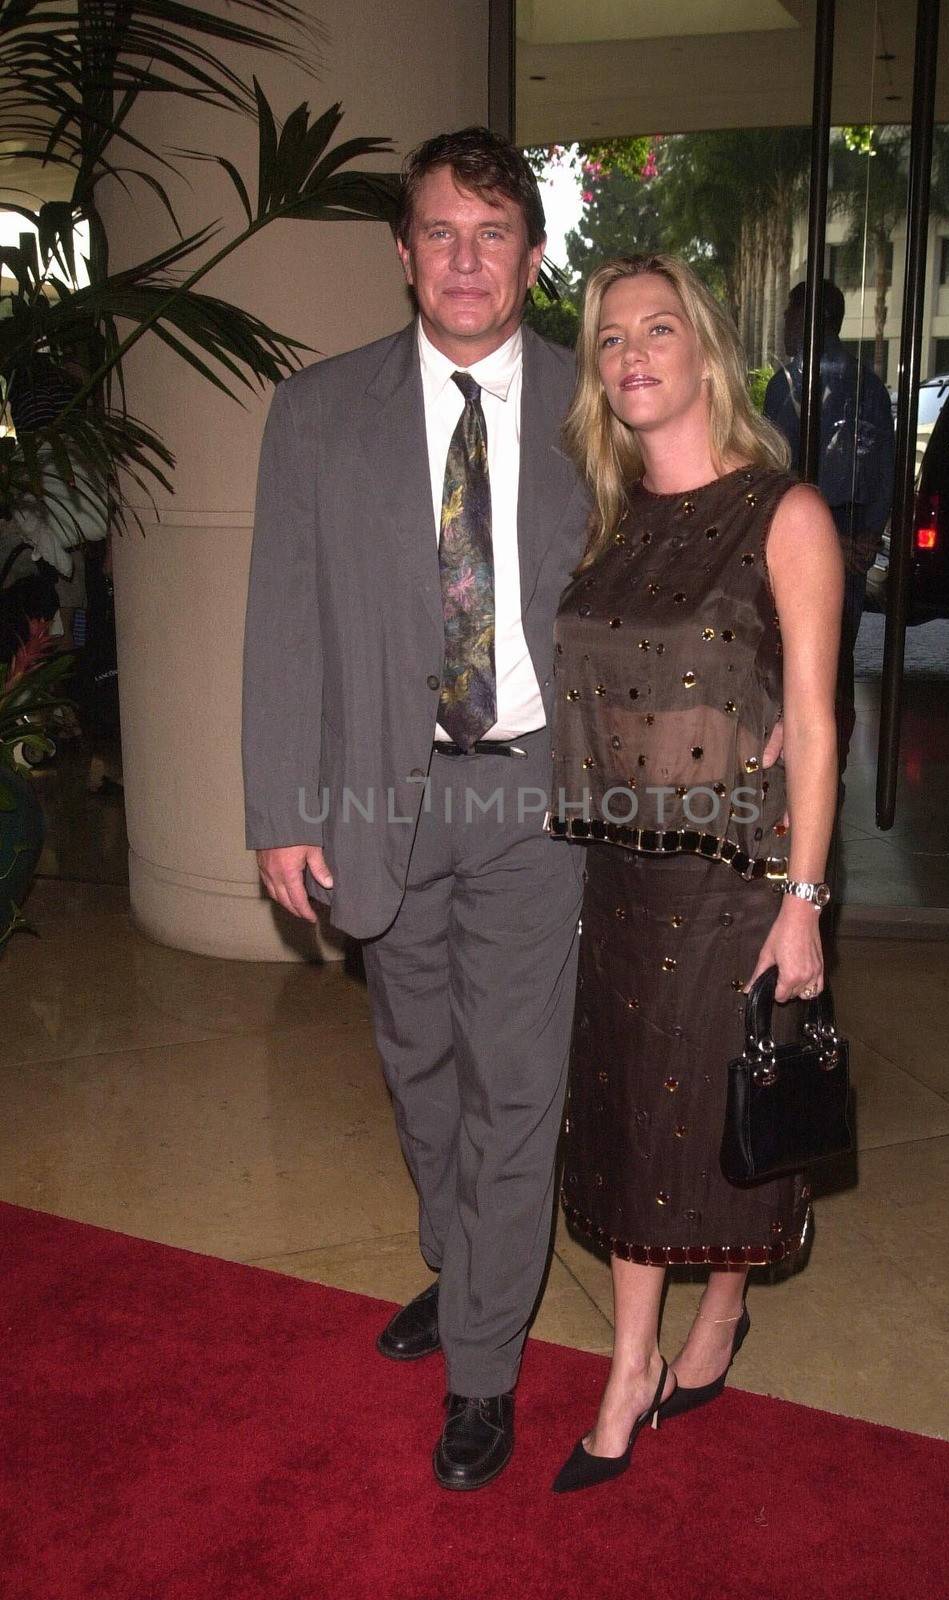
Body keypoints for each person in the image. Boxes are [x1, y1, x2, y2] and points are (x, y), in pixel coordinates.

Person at [242, 127, 591, 1490]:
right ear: (402, 253)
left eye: (491, 233)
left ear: (529, 256)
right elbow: (281, 624)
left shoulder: (586, 406)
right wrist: (282, 806)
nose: (464, 258)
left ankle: (486, 1368)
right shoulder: (317, 412)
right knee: (418, 1070)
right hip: (375, 800)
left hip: (538, 800)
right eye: (440, 232)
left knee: (516, 1088)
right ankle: (463, 1265)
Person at [546, 254, 842, 1492]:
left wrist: (807, 901)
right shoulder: (612, 524)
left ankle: (687, 1335)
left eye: (657, 329)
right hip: (622, 872)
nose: (632, 354)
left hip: (738, 873)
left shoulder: (787, 512)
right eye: (610, 339)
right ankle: (648, 1350)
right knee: (630, 1117)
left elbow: (820, 721)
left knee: (714, 1115)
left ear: (706, 353)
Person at [763, 280, 893, 762]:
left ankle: (802, 771)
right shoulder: (870, 385)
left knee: (795, 664)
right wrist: (865, 537)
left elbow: (772, 476)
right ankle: (830, 772)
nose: (783, 326)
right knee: (837, 663)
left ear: (808, 320)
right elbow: (886, 472)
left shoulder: (791, 384)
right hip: (853, 539)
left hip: (803, 542)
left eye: (789, 315)